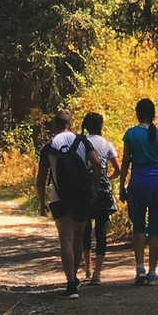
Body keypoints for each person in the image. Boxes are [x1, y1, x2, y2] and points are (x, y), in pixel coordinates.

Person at [36, 111, 101, 297]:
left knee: (66, 239)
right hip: (81, 196)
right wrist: (94, 188)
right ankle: (75, 276)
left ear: (55, 127)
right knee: (78, 237)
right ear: (70, 125)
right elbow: (97, 163)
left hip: (59, 197)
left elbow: (40, 181)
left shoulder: (49, 147)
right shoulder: (82, 141)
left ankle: (71, 284)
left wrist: (42, 204)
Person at [119, 97, 158, 285]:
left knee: (138, 225)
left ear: (137, 114)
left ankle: (140, 268)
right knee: (155, 227)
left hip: (139, 180)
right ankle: (153, 273)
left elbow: (126, 161)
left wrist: (121, 185)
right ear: (153, 115)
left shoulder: (131, 134)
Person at [79, 112, 119, 285]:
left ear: (86, 126)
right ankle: (97, 273)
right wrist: (106, 180)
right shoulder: (107, 144)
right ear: (101, 125)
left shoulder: (81, 143)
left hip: (85, 191)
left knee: (85, 231)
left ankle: (87, 268)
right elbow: (117, 170)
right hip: (103, 192)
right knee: (101, 232)